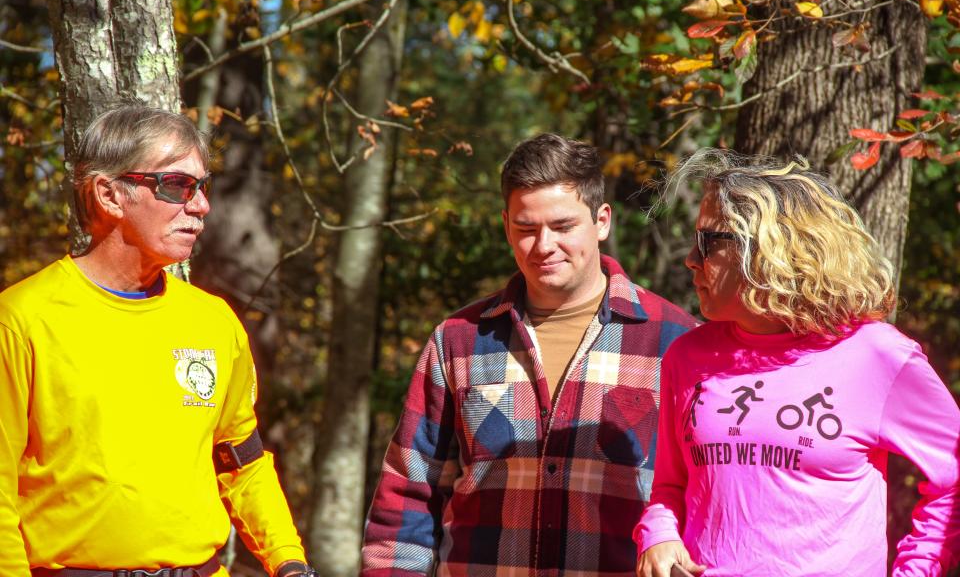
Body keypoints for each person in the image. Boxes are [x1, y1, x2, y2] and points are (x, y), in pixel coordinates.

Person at [361, 133, 697, 576]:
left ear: (602, 221)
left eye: (562, 227)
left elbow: (708, 498)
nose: (543, 246)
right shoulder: (459, 341)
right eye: (526, 229)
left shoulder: (676, 342)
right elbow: (407, 497)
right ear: (505, 226)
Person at [0, 106, 316, 577]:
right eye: (177, 186)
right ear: (109, 195)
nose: (200, 206)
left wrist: (288, 561)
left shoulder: (213, 321)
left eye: (202, 186)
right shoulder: (23, 319)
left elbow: (241, 461)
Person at [635, 151, 960, 577]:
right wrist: (659, 534)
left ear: (771, 248)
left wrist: (917, 570)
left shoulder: (876, 355)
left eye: (708, 243)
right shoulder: (688, 356)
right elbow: (671, 487)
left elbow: (952, 478)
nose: (691, 260)